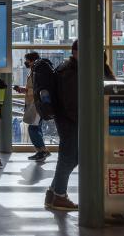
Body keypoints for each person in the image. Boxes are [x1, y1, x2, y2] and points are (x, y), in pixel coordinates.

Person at [46, 40, 79, 211]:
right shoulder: (70, 71)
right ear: (76, 52)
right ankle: (59, 195)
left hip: (66, 119)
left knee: (70, 157)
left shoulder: (67, 68)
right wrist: (81, 120)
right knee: (69, 158)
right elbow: (71, 101)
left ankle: (53, 192)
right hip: (70, 121)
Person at [14, 52, 51, 162]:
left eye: (27, 60)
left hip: (36, 104)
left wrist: (24, 90)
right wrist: (23, 90)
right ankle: (41, 151)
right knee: (37, 128)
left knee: (32, 128)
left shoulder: (37, 72)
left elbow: (37, 90)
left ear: (32, 60)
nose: (26, 62)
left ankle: (43, 151)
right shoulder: (35, 71)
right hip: (36, 103)